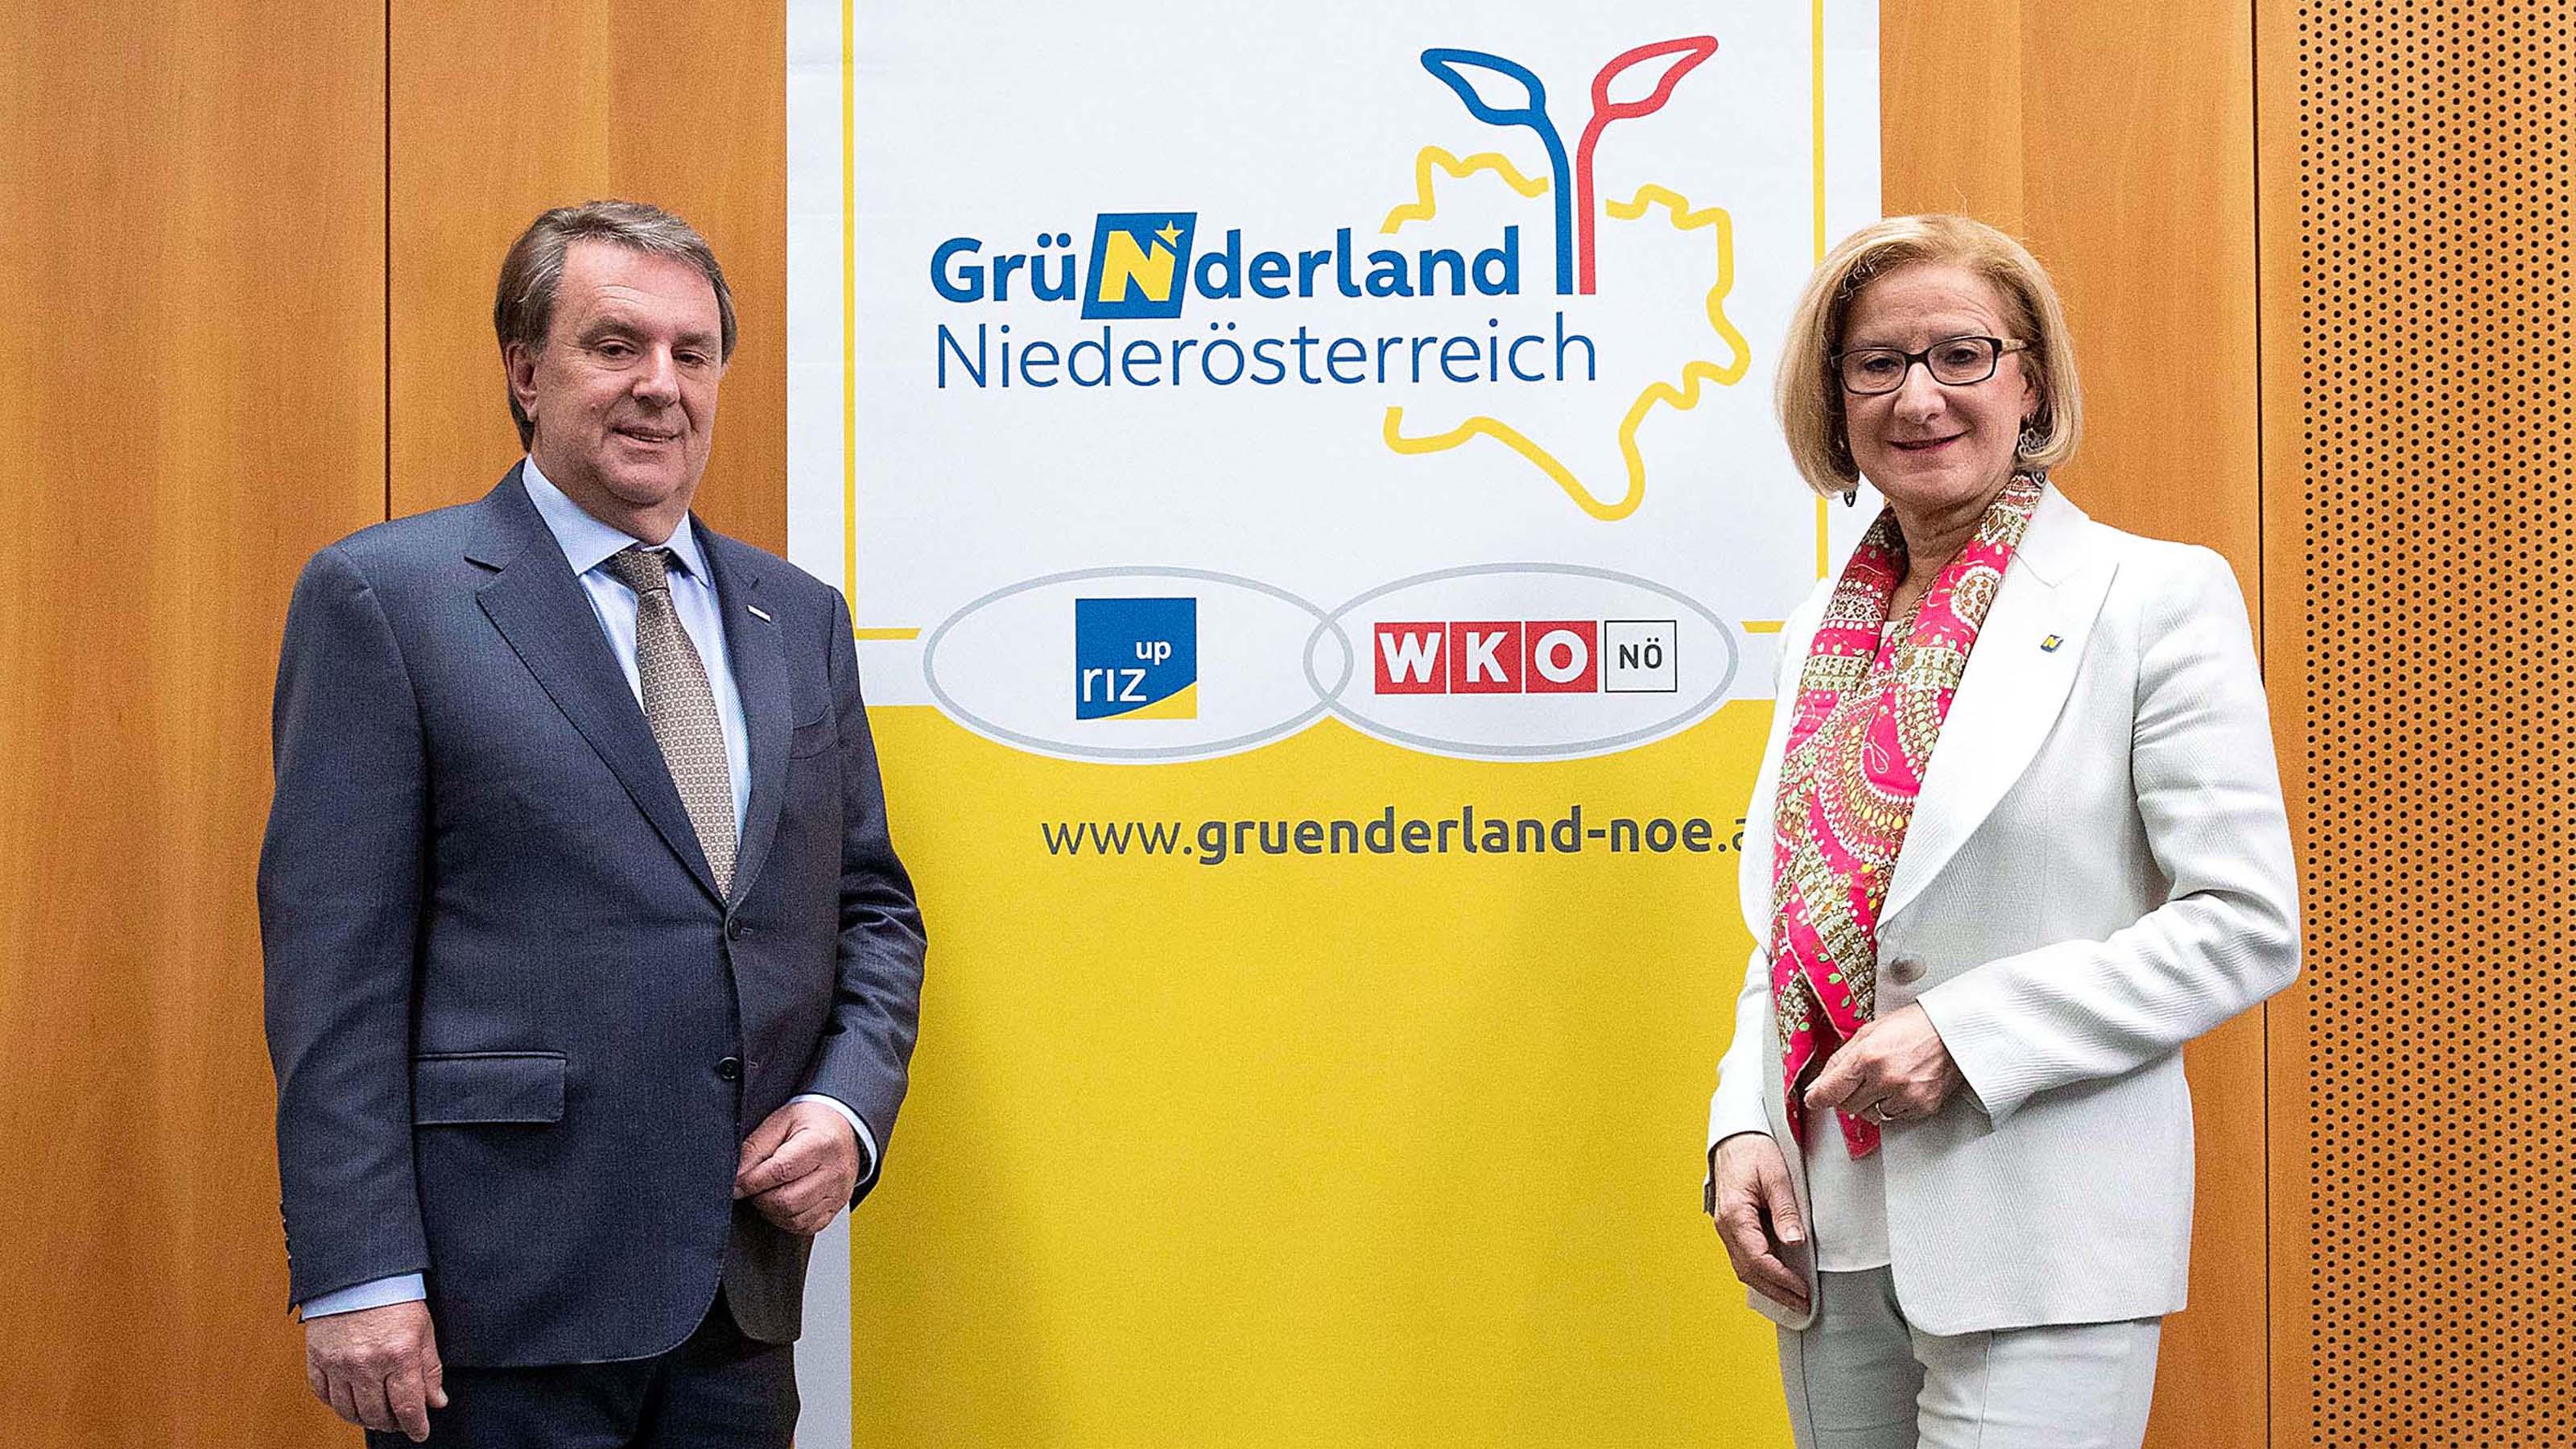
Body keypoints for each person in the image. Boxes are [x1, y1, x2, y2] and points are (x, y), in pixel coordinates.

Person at [260, 200, 926, 1447]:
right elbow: (332, 969)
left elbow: (871, 907)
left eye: (692, 352)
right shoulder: (388, 599)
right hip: (494, 1308)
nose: (660, 386)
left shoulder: (799, 617)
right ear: (527, 371)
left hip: (737, 1303)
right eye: (615, 346)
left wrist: (846, 1109)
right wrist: (360, 1273)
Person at [1703, 213, 2298, 1449]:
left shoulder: (2153, 597)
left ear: (2031, 384)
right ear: (1836, 401)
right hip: (1827, 1235)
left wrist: (1964, 1036)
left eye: (1961, 355)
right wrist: (1743, 1122)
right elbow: (1801, 929)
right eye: (1877, 363)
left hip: (2040, 1232)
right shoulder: (1820, 630)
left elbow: (2245, 925)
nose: (1919, 396)